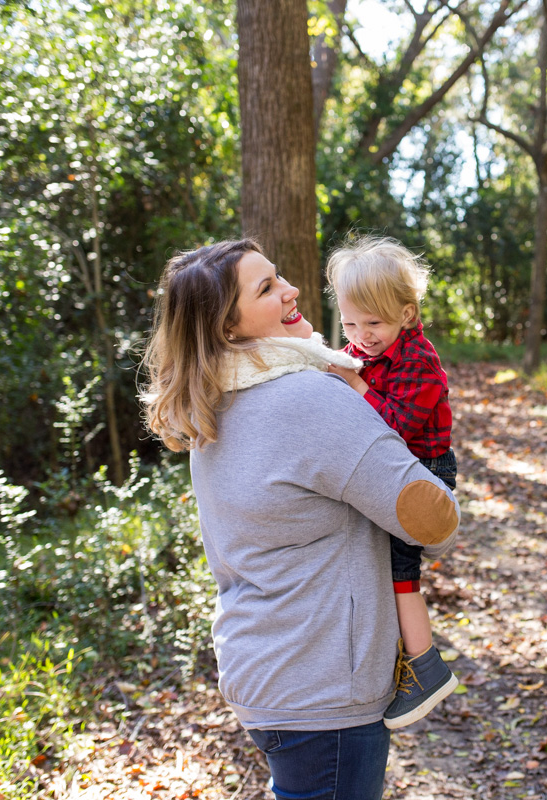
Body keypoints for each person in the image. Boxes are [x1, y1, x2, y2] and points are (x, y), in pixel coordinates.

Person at [140, 238, 460, 800]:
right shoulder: (310, 396)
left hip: (264, 668)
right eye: (266, 288)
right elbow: (431, 521)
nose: (290, 289)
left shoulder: (212, 404)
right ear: (229, 329)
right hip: (324, 683)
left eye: (278, 276)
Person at [324, 235, 460, 729]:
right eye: (349, 323)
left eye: (373, 323)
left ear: (406, 313)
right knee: (373, 566)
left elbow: (394, 425)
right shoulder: (366, 348)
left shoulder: (420, 362)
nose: (360, 336)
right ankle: (390, 653)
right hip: (384, 469)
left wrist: (354, 383)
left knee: (402, 573)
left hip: (420, 474)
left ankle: (425, 666)